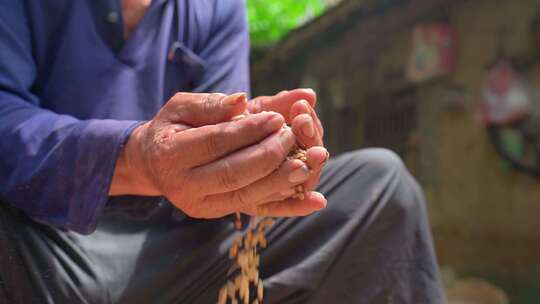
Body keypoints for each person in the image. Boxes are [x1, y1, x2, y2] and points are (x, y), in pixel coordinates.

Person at [0, 0, 445, 303]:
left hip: (181, 249)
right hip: (43, 249)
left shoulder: (216, 6)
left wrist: (264, 163)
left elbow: (221, 138)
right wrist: (134, 157)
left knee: (380, 185)